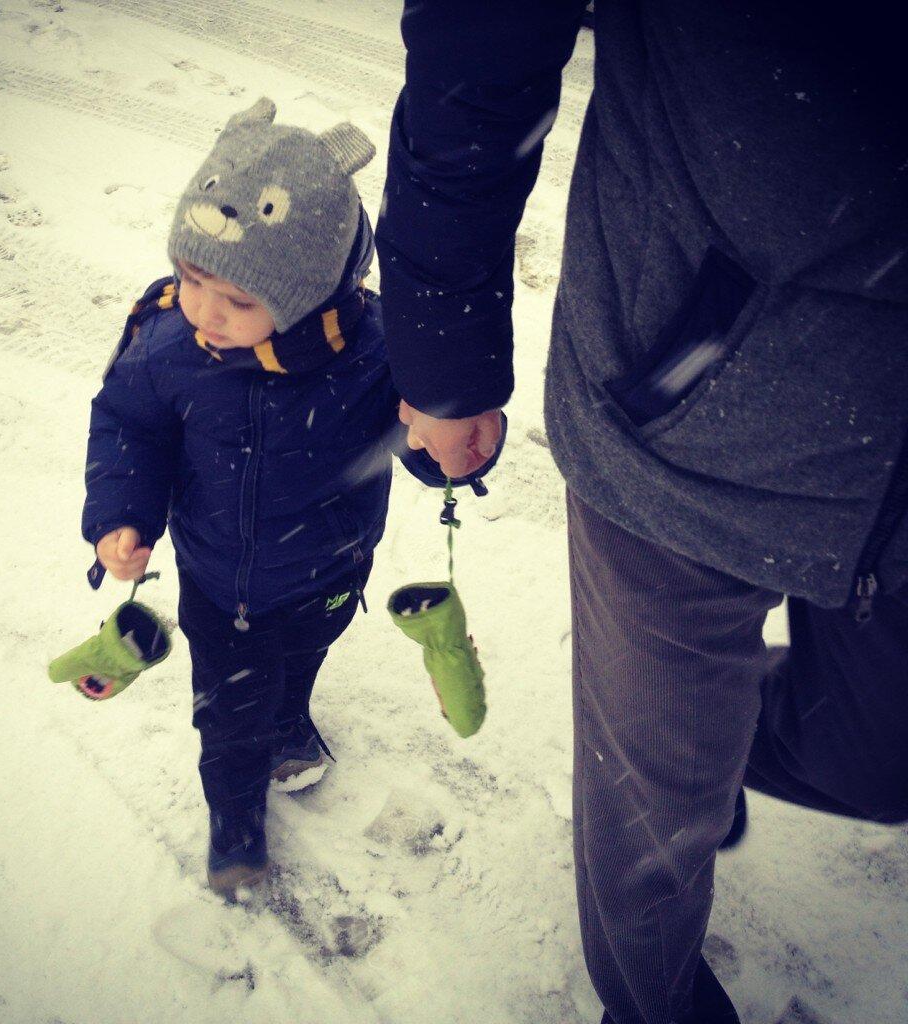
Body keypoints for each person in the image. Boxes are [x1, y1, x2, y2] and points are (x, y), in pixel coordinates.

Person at [376, 3, 908, 1022]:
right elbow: (479, 46)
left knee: (879, 763)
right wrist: (445, 367)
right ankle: (654, 1003)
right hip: (684, 421)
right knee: (650, 822)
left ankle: (714, 751)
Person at [80, 97, 499, 901]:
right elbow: (128, 425)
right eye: (194, 277)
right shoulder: (169, 339)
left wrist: (450, 443)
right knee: (227, 716)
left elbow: (422, 443)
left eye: (238, 299)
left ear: (312, 288)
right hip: (217, 580)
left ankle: (289, 715)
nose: (207, 308)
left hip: (331, 567)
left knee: (303, 654)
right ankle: (235, 824)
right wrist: (121, 518)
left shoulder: (374, 351)